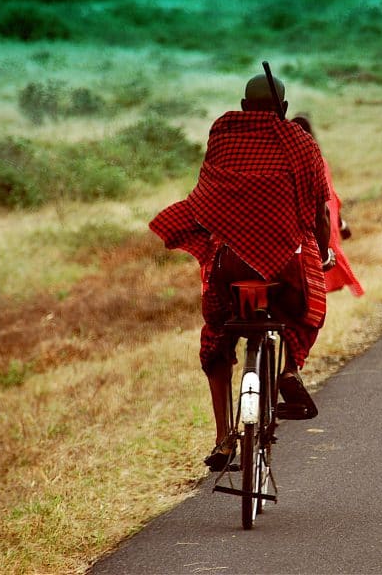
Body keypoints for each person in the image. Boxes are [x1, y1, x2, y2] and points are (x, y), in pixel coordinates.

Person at [149, 72, 334, 471]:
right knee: (310, 306)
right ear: (283, 109)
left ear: (245, 105)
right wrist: (325, 251)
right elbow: (319, 210)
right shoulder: (301, 142)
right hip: (284, 269)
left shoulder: (223, 134)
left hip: (229, 266)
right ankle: (289, 369)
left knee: (217, 334)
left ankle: (222, 437)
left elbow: (208, 197)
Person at [293, 114, 364, 298]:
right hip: (318, 232)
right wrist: (340, 225)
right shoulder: (319, 161)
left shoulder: (281, 163)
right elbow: (329, 200)